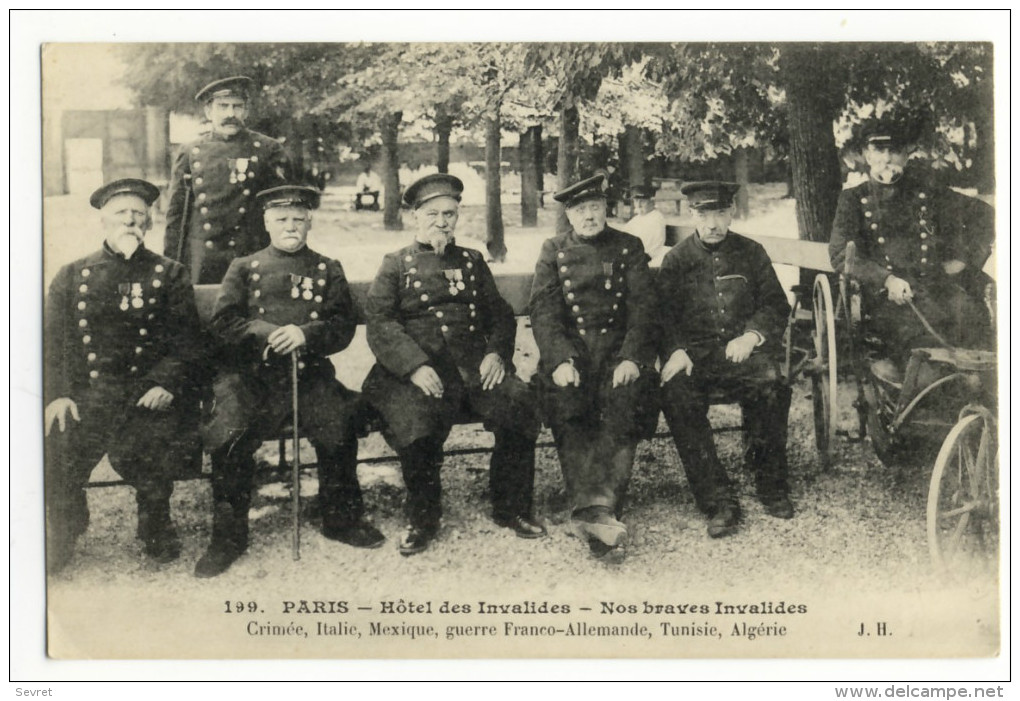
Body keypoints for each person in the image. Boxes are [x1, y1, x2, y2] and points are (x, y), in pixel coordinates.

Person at [194, 185, 384, 577]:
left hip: (308, 374)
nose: (291, 226)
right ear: (266, 222)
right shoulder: (243, 267)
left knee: (340, 421)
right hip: (250, 377)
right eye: (281, 219)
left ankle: (340, 518)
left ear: (310, 221)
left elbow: (342, 326)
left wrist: (306, 334)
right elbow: (223, 324)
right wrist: (266, 332)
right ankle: (229, 536)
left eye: (298, 219)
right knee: (228, 433)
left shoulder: (327, 267)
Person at [362, 173, 546, 556]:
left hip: (472, 369)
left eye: (450, 214)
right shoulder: (396, 264)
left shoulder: (472, 261)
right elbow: (380, 322)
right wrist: (412, 365)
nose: (442, 222)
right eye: (432, 215)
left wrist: (497, 353)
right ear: (416, 218)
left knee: (519, 404)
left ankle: (511, 507)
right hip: (415, 371)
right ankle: (423, 518)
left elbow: (501, 315)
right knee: (415, 422)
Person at [44, 179, 203, 572]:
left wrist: (165, 383)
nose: (130, 220)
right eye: (121, 213)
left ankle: (155, 523)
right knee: (56, 444)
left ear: (149, 221)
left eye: (138, 213)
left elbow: (187, 342)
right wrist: (58, 394)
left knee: (151, 447)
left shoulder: (170, 274)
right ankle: (65, 526)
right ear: (103, 220)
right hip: (88, 395)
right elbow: (53, 342)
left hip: (144, 394)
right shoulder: (72, 274)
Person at [528, 173, 659, 561]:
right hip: (574, 354)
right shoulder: (553, 249)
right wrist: (559, 359)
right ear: (569, 214)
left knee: (626, 399)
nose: (589, 216)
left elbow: (644, 309)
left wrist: (633, 357)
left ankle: (596, 510)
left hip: (618, 353)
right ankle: (601, 513)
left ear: (607, 209)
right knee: (567, 401)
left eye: (595, 207)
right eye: (580, 209)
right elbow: (544, 310)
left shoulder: (628, 247)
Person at [657, 181, 793, 538]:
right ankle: (716, 498)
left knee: (772, 384)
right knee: (676, 394)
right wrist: (676, 351)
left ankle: (771, 482)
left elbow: (775, 305)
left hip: (743, 354)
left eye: (720, 213)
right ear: (692, 215)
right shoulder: (676, 260)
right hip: (695, 359)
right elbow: (662, 317)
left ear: (732, 212)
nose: (713, 223)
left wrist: (752, 336)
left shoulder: (752, 253)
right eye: (704, 214)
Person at [829, 116, 995, 382]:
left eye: (895, 151)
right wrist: (886, 279)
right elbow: (840, 253)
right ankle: (925, 407)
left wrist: (966, 259)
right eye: (879, 150)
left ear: (906, 155)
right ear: (865, 154)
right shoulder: (852, 200)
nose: (887, 158)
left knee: (977, 326)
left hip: (938, 289)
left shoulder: (926, 192)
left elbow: (986, 215)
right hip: (887, 300)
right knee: (925, 357)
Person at [164, 76, 292, 284]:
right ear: (208, 112)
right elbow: (176, 216)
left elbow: (283, 208)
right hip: (203, 257)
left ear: (246, 111)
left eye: (237, 107)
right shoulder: (190, 151)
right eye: (222, 107)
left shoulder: (268, 149)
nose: (230, 114)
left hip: (251, 252)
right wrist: (170, 265)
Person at [622, 185, 668, 266]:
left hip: (646, 260)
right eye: (636, 201)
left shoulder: (656, 219)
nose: (638, 205)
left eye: (642, 201)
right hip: (633, 256)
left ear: (652, 201)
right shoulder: (638, 218)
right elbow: (622, 236)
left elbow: (650, 249)